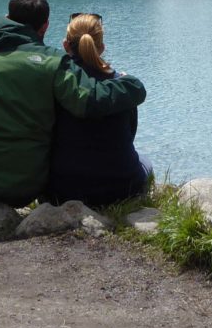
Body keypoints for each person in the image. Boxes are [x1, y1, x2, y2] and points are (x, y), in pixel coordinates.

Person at [0, 0, 146, 207]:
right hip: (28, 186)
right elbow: (87, 100)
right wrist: (131, 85)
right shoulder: (54, 64)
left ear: (7, 18)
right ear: (45, 26)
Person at [47, 13, 152, 206]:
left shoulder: (56, 84)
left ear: (65, 46)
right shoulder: (122, 85)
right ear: (101, 48)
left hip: (63, 190)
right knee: (145, 162)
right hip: (122, 186)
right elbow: (130, 132)